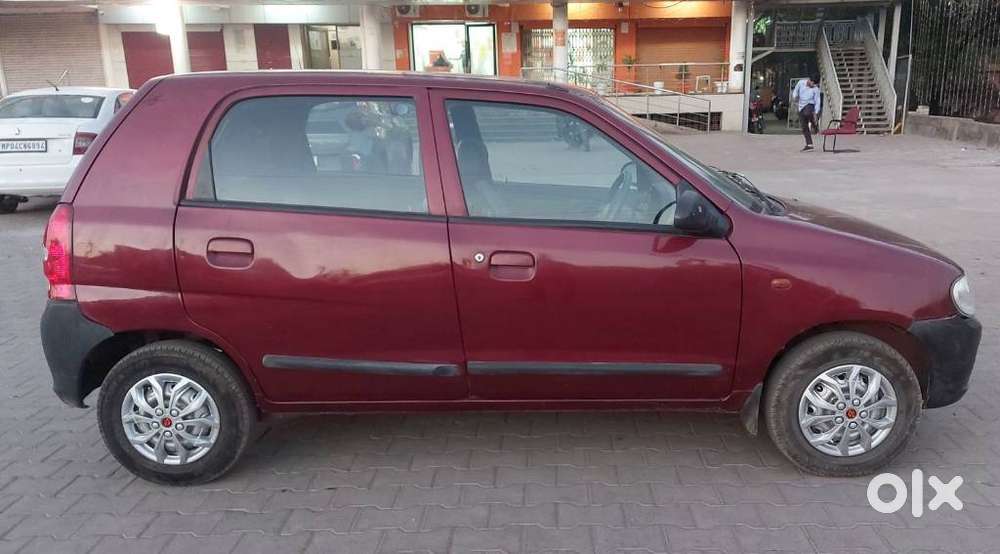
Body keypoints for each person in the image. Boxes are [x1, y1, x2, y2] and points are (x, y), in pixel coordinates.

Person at [792, 76, 822, 151]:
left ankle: (814, 123)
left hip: (810, 104)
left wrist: (816, 112)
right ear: (809, 80)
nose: (813, 85)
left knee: (807, 113)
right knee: (804, 126)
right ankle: (809, 144)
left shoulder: (816, 89)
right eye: (812, 83)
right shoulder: (801, 82)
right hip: (801, 106)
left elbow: (817, 101)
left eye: (815, 84)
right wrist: (795, 97)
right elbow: (795, 90)